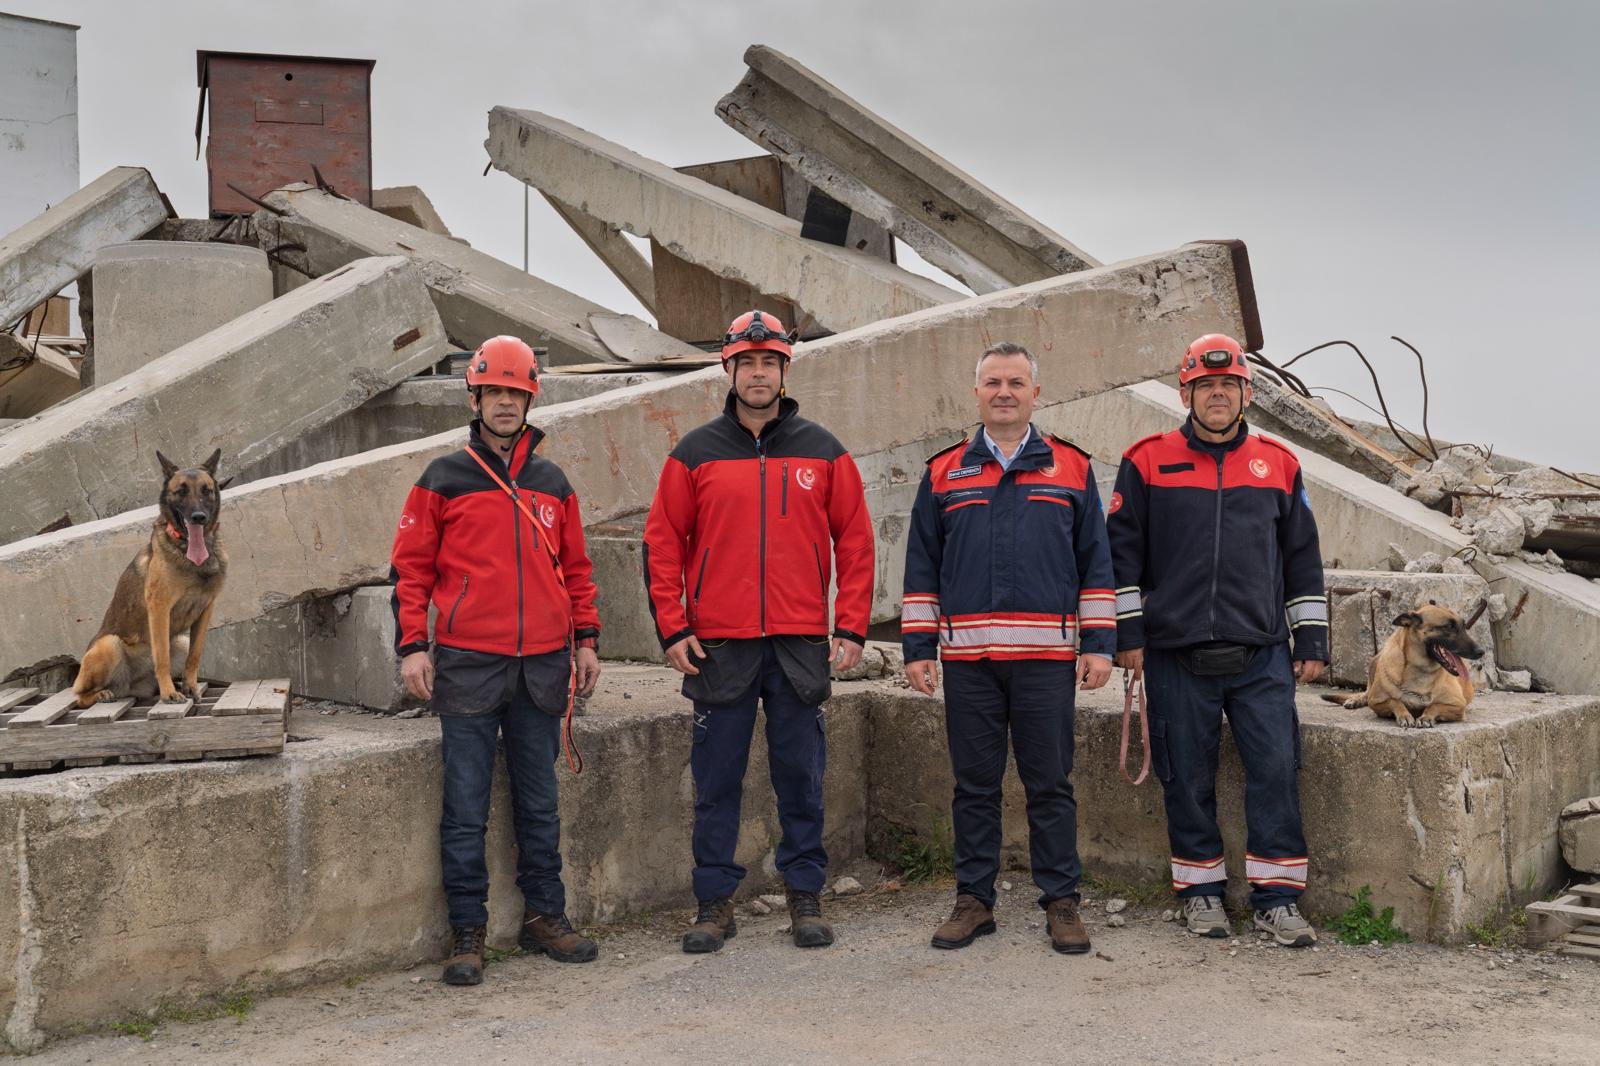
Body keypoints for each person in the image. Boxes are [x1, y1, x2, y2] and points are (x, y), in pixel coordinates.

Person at [643, 310, 874, 953]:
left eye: (769, 362)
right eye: (746, 363)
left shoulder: (824, 451)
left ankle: (805, 895)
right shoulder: (694, 454)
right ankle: (713, 904)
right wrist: (673, 628)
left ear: (784, 370)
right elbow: (662, 543)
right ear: (729, 369)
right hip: (719, 644)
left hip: (799, 642)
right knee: (716, 781)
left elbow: (856, 541)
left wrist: (851, 625)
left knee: (801, 777)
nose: (757, 373)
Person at [390, 335, 603, 985]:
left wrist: (586, 640)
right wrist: (412, 646)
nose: (505, 403)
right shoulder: (442, 478)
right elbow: (410, 571)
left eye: (516, 392)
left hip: (542, 667)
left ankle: (545, 916)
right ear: (475, 399)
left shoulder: (552, 483)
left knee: (540, 804)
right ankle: (467, 931)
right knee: (465, 808)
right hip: (467, 665)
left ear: (530, 400)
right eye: (494, 393)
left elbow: (577, 570)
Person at [1106, 333, 1328, 948]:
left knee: (1276, 770)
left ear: (1246, 393)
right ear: (1186, 393)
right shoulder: (1146, 461)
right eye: (1205, 386)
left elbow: (1303, 559)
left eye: (1229, 384)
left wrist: (1311, 641)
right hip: (1175, 654)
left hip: (1262, 655)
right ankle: (1201, 893)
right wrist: (1128, 635)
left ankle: (1277, 900)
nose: (1218, 395)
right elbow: (1120, 559)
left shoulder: (1279, 463)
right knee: (1185, 777)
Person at [901, 341, 1115, 955]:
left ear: (1035, 393)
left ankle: (1061, 901)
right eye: (993, 382)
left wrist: (1100, 644)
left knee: (1050, 785)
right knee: (974, 787)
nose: (1004, 392)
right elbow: (922, 566)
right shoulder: (944, 472)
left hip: (1046, 663)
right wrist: (918, 647)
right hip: (970, 663)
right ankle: (974, 901)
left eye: (1016, 383)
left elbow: (1096, 564)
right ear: (976, 393)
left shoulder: (1072, 468)